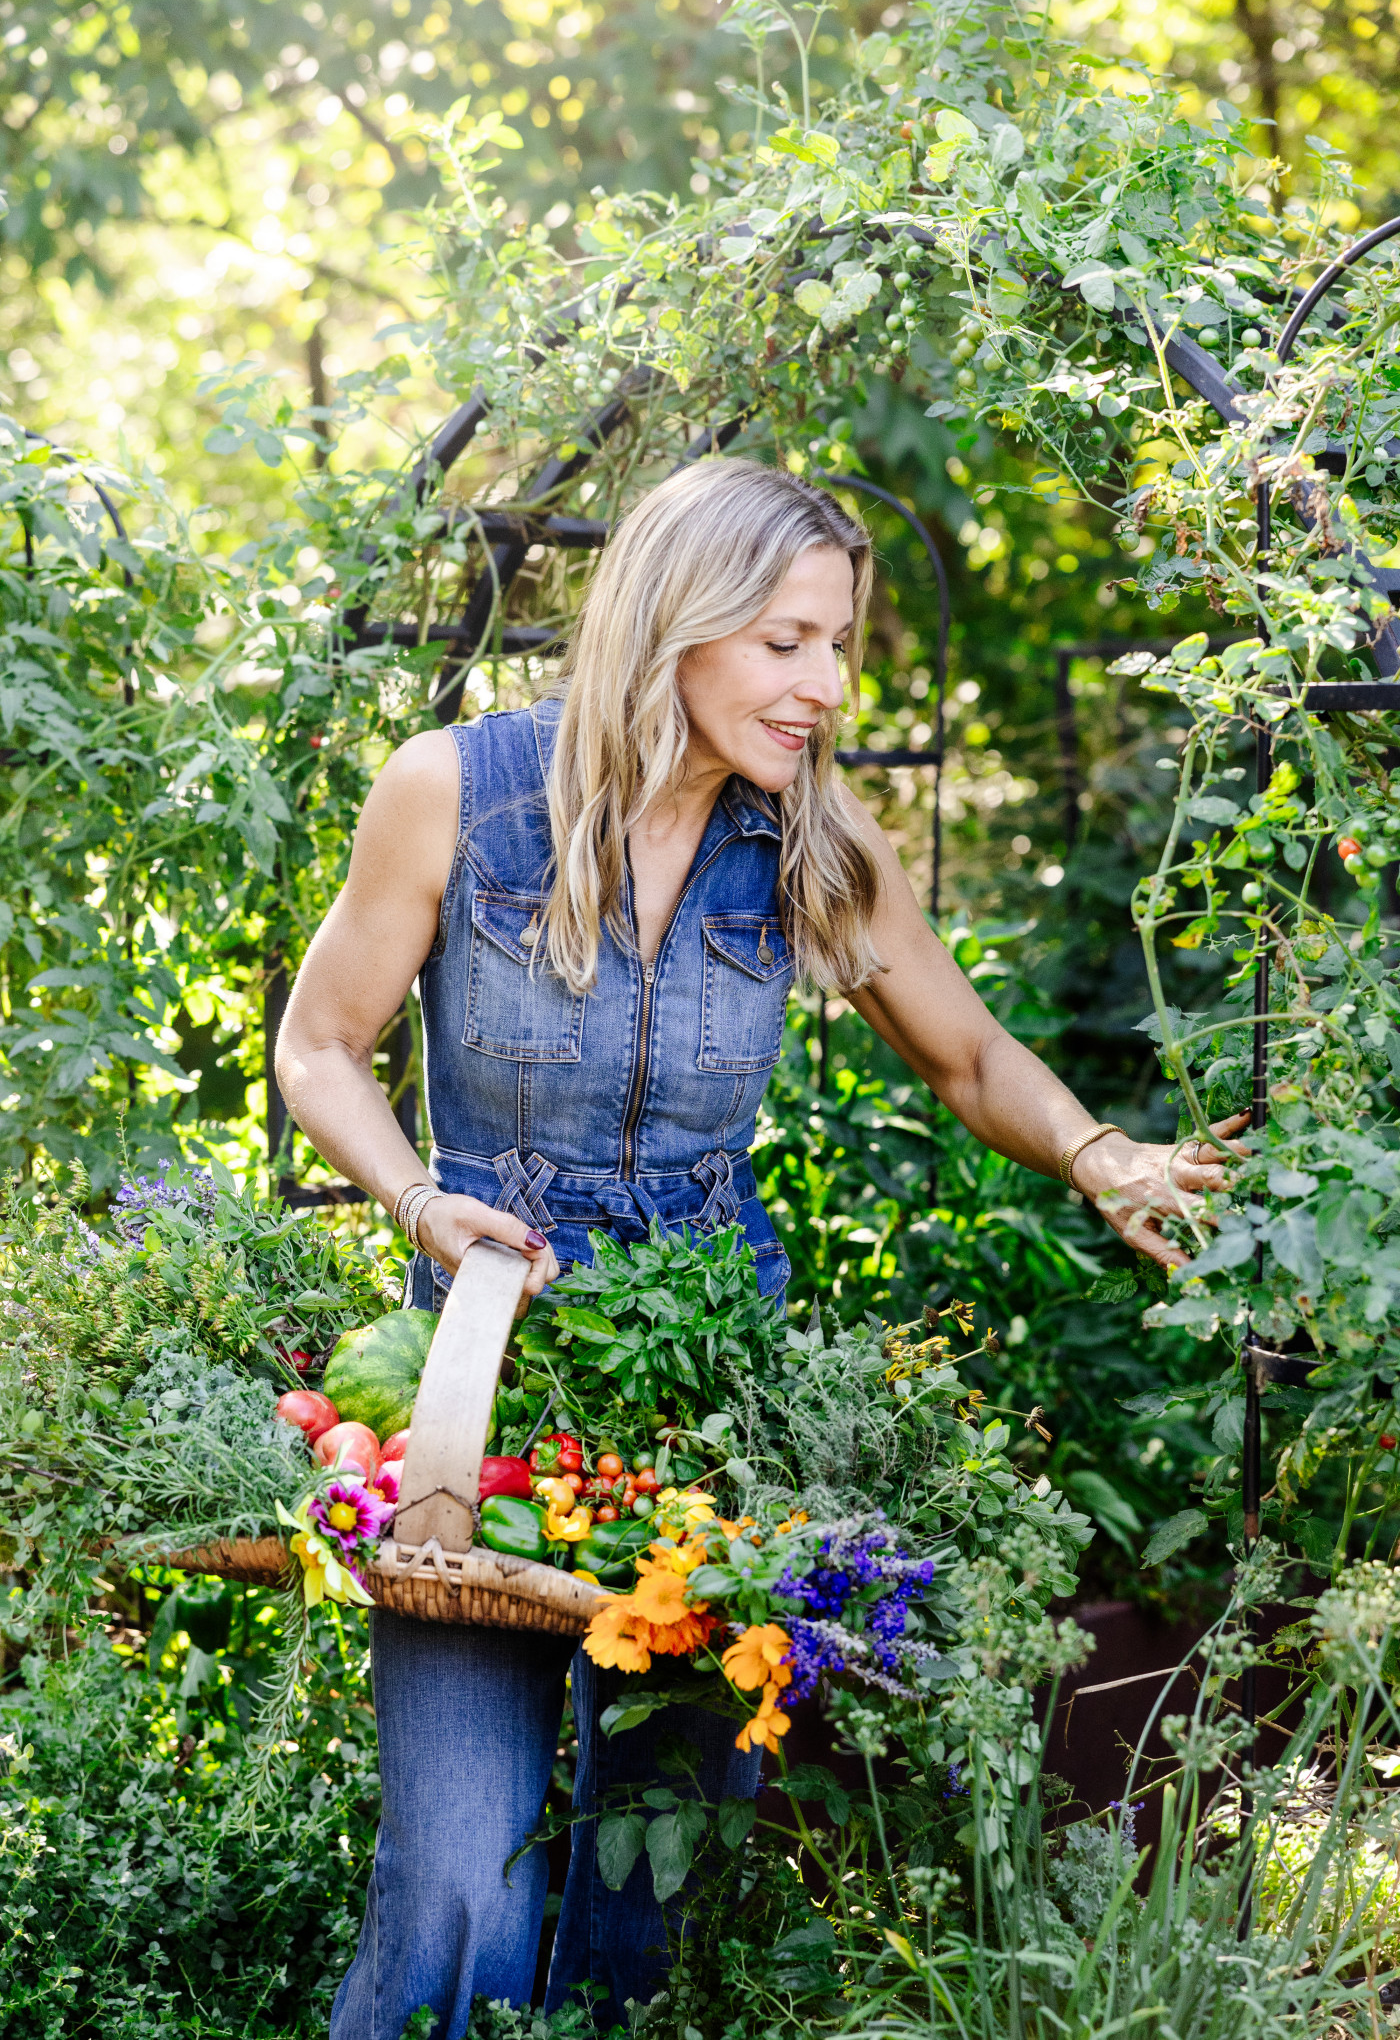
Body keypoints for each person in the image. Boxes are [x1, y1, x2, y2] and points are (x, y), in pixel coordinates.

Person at [276, 458, 1240, 2039]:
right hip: (481, 1406)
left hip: (713, 1418)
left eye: (842, 644)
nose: (829, 686)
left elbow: (970, 1057)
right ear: (682, 622)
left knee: (646, 1898)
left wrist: (1097, 1149)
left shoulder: (807, 845)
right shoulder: (454, 790)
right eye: (791, 640)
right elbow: (321, 1046)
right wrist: (415, 1198)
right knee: (462, 1882)